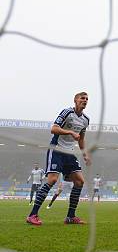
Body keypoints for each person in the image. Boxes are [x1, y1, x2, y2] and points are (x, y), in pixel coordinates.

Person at [26, 92, 91, 225]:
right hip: (56, 149)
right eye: (82, 98)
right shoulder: (67, 112)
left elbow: (82, 138)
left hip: (69, 153)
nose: (84, 100)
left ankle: (70, 217)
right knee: (53, 180)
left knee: (79, 181)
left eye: (86, 99)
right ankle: (32, 215)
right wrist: (70, 132)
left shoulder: (86, 119)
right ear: (75, 100)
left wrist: (85, 154)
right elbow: (54, 129)